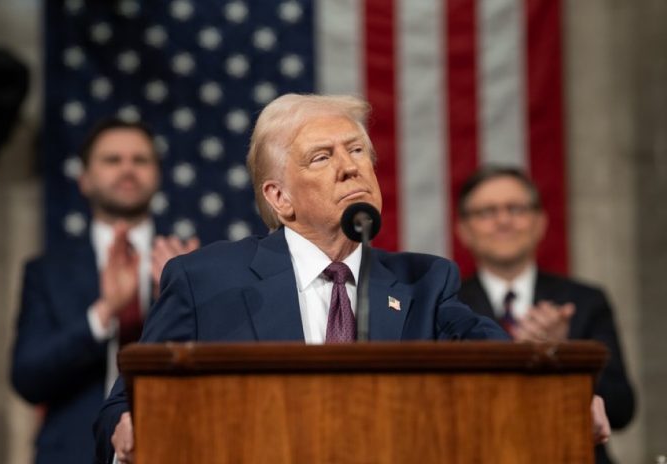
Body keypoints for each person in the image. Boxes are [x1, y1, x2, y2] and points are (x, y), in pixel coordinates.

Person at [93, 95, 609, 464]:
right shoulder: (206, 278)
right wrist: (131, 424)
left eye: (357, 151)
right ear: (279, 198)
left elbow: (494, 354)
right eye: (323, 157)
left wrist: (556, 393)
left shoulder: (425, 281)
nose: (349, 168)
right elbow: (124, 403)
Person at [10, 118, 199, 464]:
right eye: (112, 160)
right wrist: (105, 311)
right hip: (72, 454)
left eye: (140, 160)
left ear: (157, 175)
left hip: (176, 445)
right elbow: (27, 378)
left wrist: (179, 299)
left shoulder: (189, 261)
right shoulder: (47, 272)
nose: (127, 169)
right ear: (85, 179)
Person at [455, 165, 635, 464]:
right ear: (463, 230)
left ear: (540, 222)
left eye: (516, 209)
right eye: (487, 212)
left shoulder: (585, 301)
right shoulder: (446, 304)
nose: (503, 221)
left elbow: (622, 409)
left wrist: (564, 355)